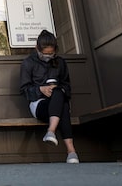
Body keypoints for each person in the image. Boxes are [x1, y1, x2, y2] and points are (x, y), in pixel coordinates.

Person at [19, 29, 80, 164]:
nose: (47, 57)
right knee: (63, 106)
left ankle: (52, 132)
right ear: (37, 49)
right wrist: (41, 89)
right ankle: (71, 151)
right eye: (44, 54)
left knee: (59, 95)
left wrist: (57, 88)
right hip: (39, 104)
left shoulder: (60, 63)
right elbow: (24, 90)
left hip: (57, 101)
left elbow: (67, 86)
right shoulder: (29, 63)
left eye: (50, 54)